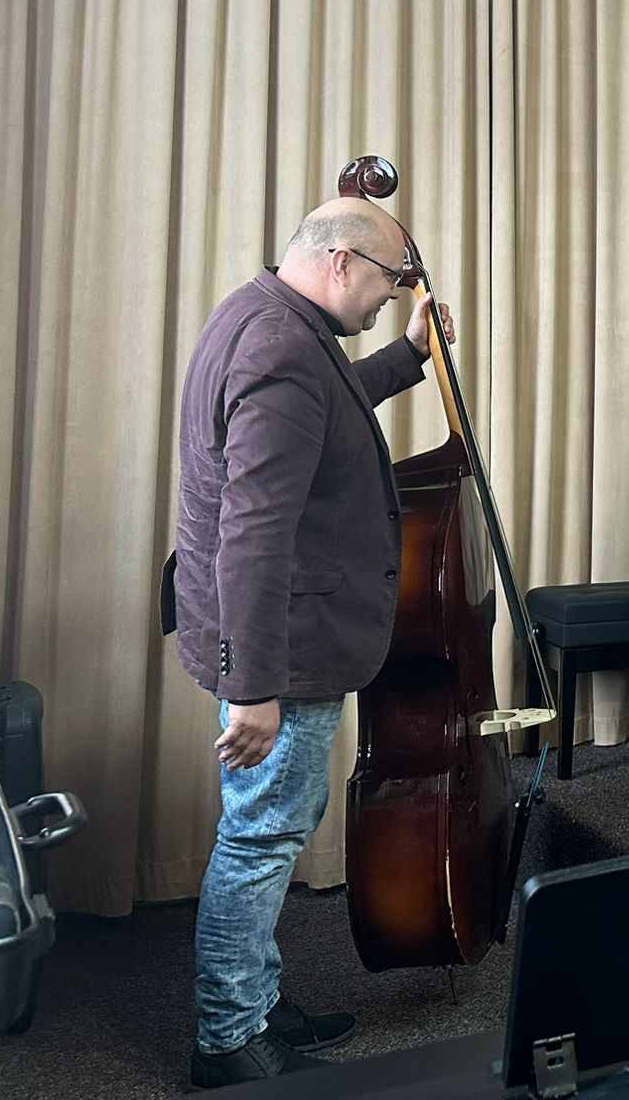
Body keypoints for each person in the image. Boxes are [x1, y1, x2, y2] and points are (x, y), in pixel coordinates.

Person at [172, 195, 454, 1088]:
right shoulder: (283, 350)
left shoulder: (267, 316)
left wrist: (409, 356)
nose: (390, 295)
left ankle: (252, 999)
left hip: (276, 635)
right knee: (261, 839)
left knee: (268, 830)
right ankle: (228, 1040)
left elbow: (330, 411)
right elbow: (253, 535)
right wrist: (252, 687)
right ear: (341, 263)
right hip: (282, 649)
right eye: (388, 280)